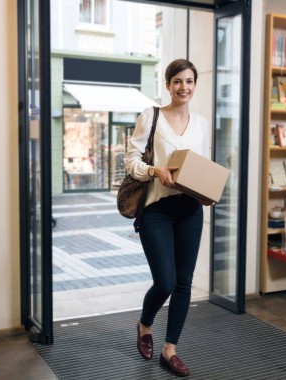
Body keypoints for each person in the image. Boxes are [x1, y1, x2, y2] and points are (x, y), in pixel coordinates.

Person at [125, 59, 213, 377]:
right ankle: (144, 324)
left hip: (189, 210)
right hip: (157, 211)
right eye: (177, 81)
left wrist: (207, 190)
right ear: (167, 84)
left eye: (189, 81)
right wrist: (154, 170)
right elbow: (130, 161)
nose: (184, 87)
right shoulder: (151, 117)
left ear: (195, 85)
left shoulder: (201, 124)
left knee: (183, 283)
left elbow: (202, 166)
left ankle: (170, 349)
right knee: (164, 281)